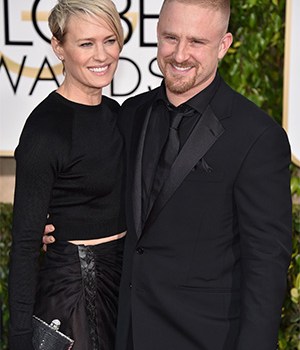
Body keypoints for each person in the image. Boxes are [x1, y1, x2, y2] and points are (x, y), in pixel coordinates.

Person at [44, 0, 292, 349]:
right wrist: (55, 226)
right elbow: (105, 200)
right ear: (157, 36)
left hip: (205, 338)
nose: (180, 54)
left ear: (223, 45)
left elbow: (266, 267)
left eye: (197, 42)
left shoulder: (257, 137)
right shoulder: (131, 114)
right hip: (125, 332)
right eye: (170, 38)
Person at [8, 1, 126, 349]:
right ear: (59, 47)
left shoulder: (117, 114)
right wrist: (18, 339)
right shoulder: (45, 130)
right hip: (72, 291)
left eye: (110, 40)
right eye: (86, 43)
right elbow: (26, 245)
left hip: (124, 285)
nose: (101, 55)